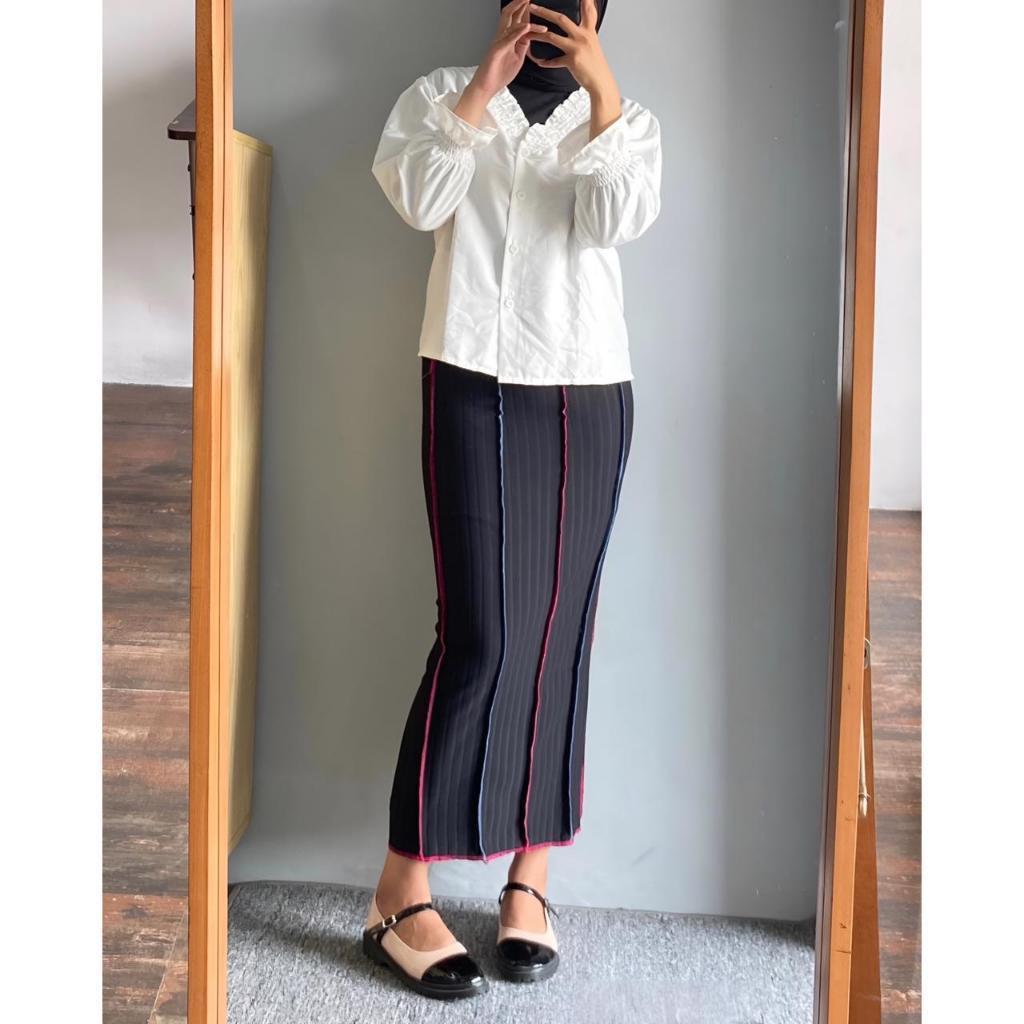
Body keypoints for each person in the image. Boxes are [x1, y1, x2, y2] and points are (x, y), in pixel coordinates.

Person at [364, 0, 661, 999]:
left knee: (561, 632)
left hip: (590, 390)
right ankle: (398, 888)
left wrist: (602, 92)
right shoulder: (439, 98)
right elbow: (418, 198)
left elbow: (618, 219)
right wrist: (481, 90)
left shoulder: (624, 119)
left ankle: (530, 880)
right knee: (481, 635)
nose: (553, 16)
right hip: (471, 380)